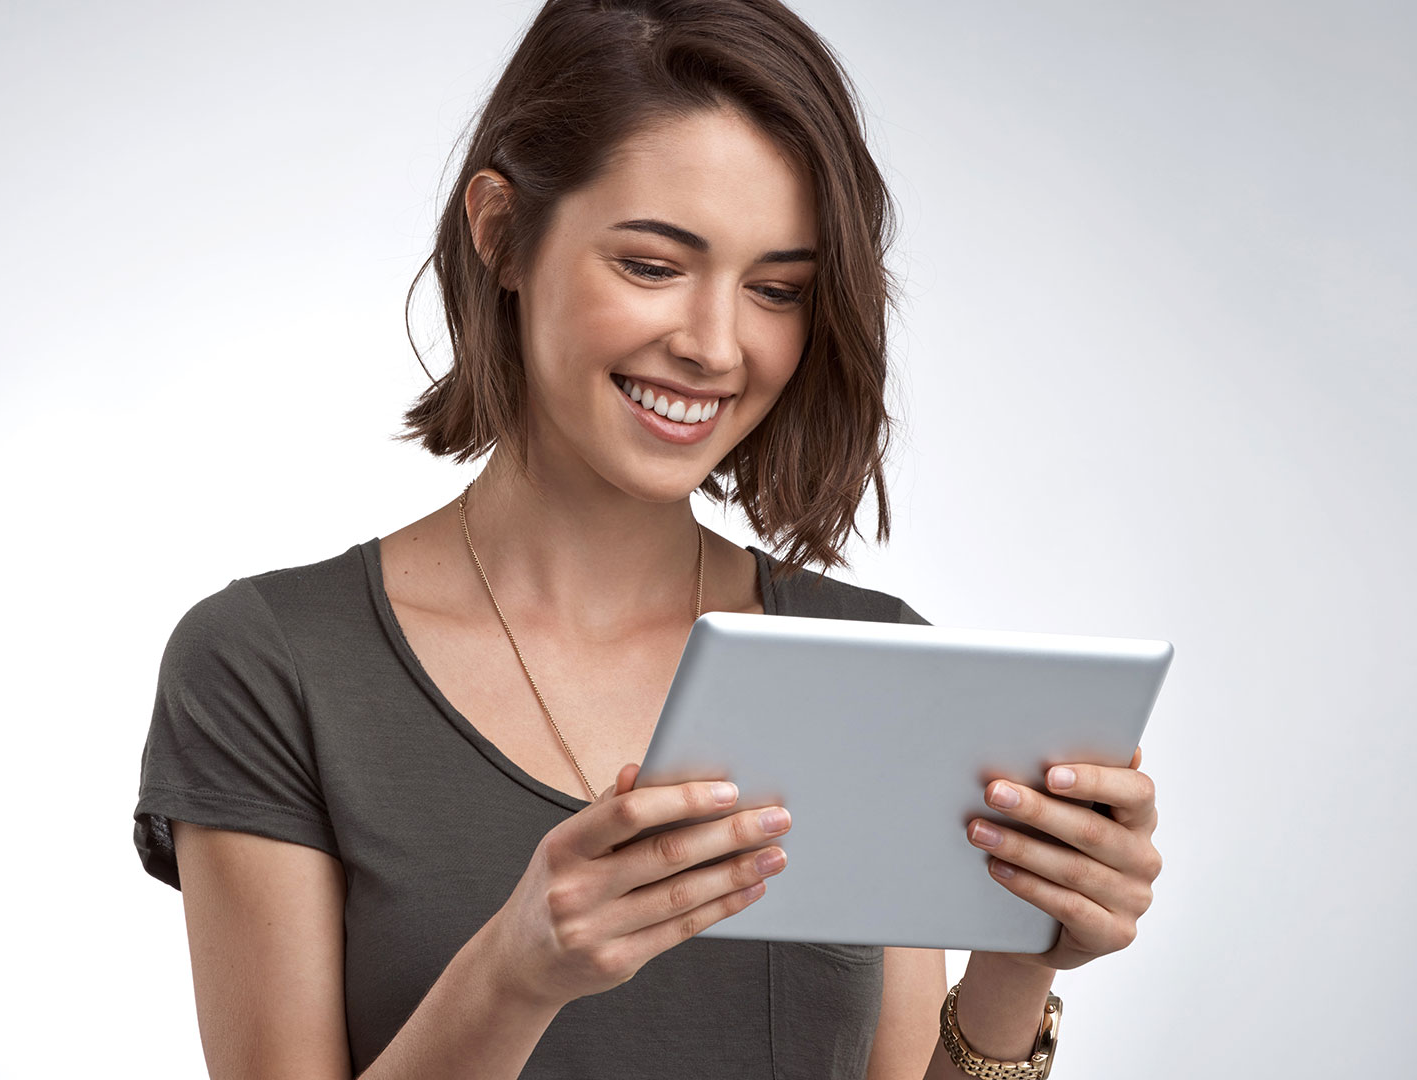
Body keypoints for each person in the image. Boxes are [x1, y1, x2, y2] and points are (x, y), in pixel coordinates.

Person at [132, 1, 1163, 1076]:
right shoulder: (274, 664)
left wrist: (1023, 955)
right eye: (653, 266)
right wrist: (518, 971)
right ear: (501, 232)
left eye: (776, 289)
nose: (716, 347)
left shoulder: (871, 661)